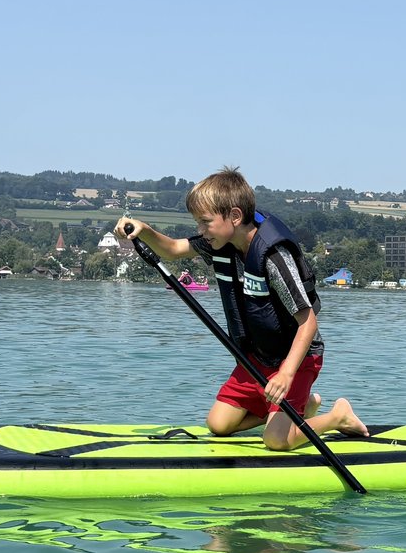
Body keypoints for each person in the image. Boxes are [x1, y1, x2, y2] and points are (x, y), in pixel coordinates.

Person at [116, 167, 368, 451]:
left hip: (295, 359)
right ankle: (297, 411)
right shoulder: (220, 242)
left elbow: (307, 322)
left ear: (235, 216)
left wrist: (286, 374)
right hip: (257, 357)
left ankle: (337, 416)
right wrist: (144, 230)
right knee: (218, 425)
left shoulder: (273, 256)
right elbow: (173, 249)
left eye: (205, 222)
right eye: (198, 223)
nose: (200, 231)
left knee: (276, 441)